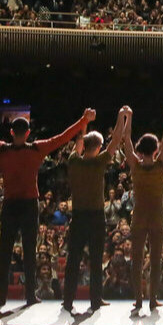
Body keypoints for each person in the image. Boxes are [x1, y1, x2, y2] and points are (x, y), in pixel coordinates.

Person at [0, 104, 94, 309]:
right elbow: (63, 137)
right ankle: (29, 297)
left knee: (5, 253)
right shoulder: (36, 148)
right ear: (28, 133)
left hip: (11, 205)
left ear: (11, 132)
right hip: (29, 205)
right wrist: (83, 121)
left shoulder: (1, 148)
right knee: (29, 252)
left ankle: (2, 298)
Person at [63, 107, 130, 313]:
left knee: (73, 259)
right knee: (95, 257)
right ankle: (95, 300)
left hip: (78, 216)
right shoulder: (100, 162)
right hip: (95, 216)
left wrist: (85, 120)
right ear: (99, 146)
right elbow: (117, 139)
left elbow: (79, 141)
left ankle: (67, 301)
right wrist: (121, 116)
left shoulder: (73, 161)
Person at [119, 106, 163, 313]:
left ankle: (139, 299)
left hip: (139, 217)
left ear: (140, 150)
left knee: (137, 259)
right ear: (155, 149)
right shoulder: (161, 165)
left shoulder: (135, 165)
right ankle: (152, 299)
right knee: (156, 259)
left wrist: (129, 118)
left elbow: (126, 142)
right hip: (157, 217)